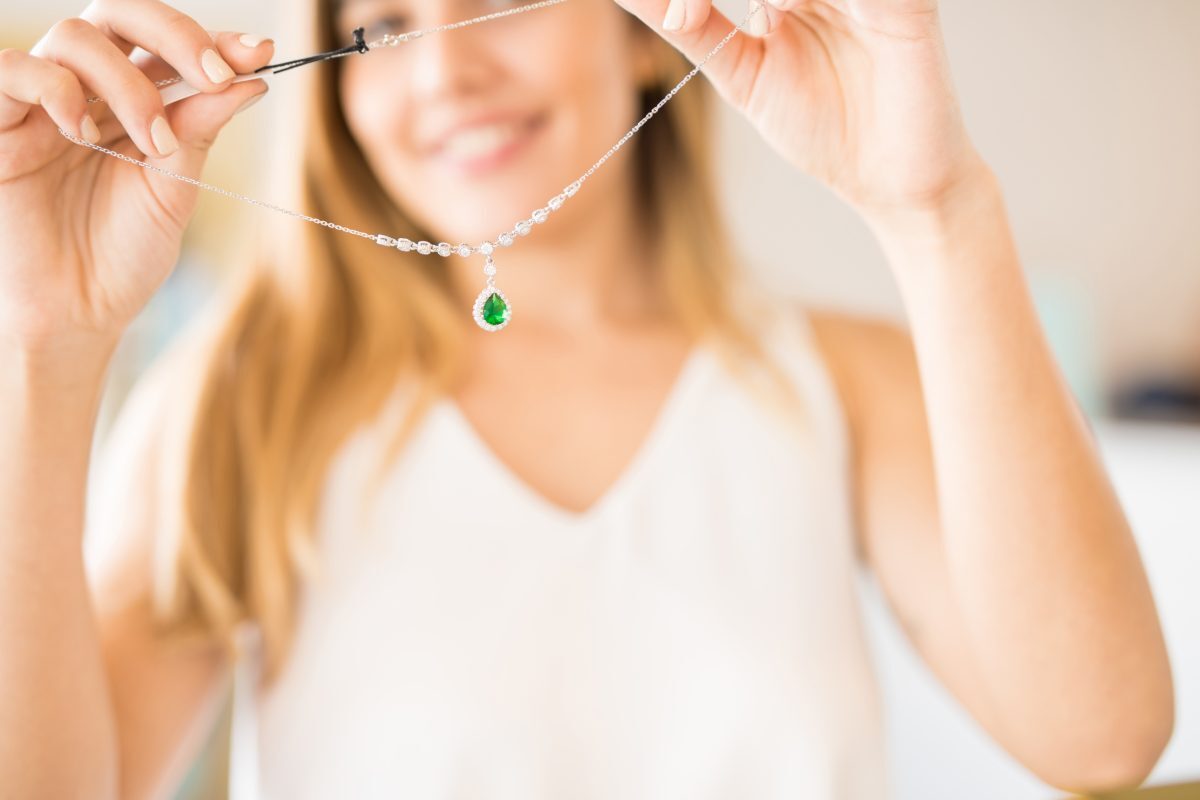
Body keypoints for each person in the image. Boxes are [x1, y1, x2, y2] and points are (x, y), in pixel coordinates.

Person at [0, 0, 1176, 797]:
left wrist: (939, 206)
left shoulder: (845, 388)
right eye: (384, 26)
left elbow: (1105, 732)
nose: (447, 67)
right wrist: (43, 344)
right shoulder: (237, 404)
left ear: (650, 33)